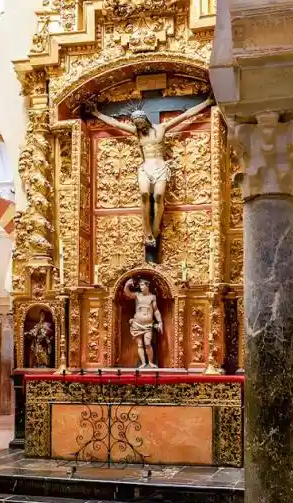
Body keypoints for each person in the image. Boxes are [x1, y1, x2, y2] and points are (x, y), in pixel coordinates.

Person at [88, 97, 214, 246]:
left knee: (159, 196)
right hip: (146, 167)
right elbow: (115, 123)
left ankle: (155, 229)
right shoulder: (137, 132)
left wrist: (206, 102)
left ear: (146, 120)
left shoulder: (161, 128)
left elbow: (185, 116)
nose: (141, 127)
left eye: (141, 124)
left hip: (160, 166)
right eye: (138, 125)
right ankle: (146, 230)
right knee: (144, 194)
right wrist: (96, 113)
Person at [123, 277, 162, 368]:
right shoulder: (137, 295)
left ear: (147, 286)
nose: (140, 287)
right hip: (137, 324)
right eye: (140, 285)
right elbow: (127, 293)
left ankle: (150, 362)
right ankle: (144, 363)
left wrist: (160, 322)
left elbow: (156, 310)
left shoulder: (152, 297)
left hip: (148, 325)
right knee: (140, 345)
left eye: (142, 285)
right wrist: (127, 285)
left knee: (147, 344)